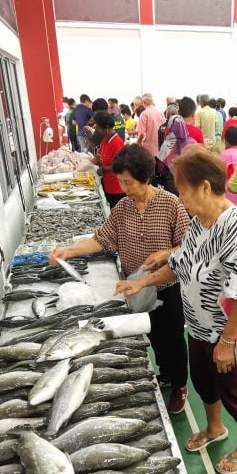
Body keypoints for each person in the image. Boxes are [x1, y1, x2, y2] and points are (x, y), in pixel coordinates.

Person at [116, 148, 237, 474]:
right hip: (198, 327)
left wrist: (227, 342)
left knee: (236, 392)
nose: (179, 198)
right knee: (204, 382)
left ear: (205, 188)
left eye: (183, 190)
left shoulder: (235, 230)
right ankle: (214, 428)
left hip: (224, 332)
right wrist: (142, 284)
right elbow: (179, 265)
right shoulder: (199, 223)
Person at [50, 144, 191, 413]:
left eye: (129, 182)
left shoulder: (171, 204)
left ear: (146, 177)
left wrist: (166, 253)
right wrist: (69, 251)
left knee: (172, 336)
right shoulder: (123, 207)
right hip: (134, 286)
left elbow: (187, 246)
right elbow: (102, 239)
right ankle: (164, 373)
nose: (125, 188)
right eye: (121, 182)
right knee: (152, 335)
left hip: (167, 285)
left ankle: (180, 384)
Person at [91, 112, 125, 208]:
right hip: (108, 185)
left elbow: (122, 166)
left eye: (97, 125)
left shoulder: (117, 142)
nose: (95, 128)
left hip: (117, 188)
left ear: (105, 128)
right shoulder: (105, 139)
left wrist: (104, 169)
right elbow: (99, 157)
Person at [136, 93, 165, 158]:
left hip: (148, 149)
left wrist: (136, 144)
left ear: (143, 102)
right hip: (160, 147)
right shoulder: (161, 113)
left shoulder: (144, 114)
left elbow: (142, 134)